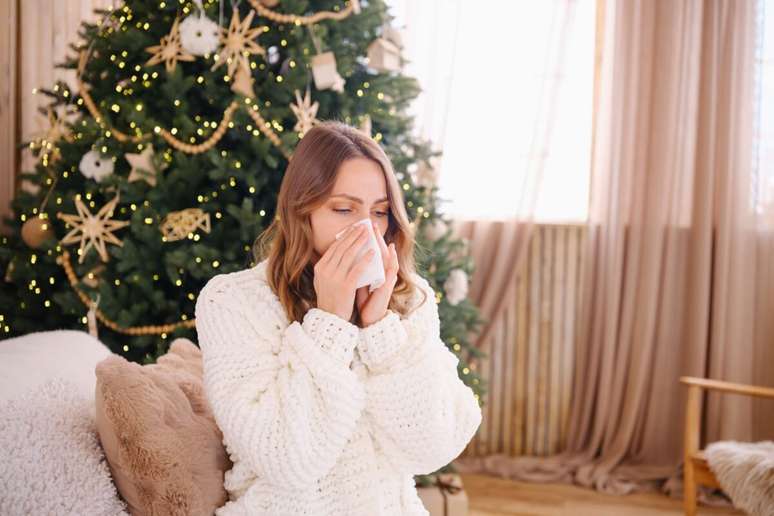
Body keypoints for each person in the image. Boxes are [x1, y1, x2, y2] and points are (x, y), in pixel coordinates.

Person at [194, 120, 482, 515]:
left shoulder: (408, 300)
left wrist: (380, 328)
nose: (365, 229)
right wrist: (330, 322)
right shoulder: (234, 302)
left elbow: (434, 447)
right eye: (344, 208)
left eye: (379, 213)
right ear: (301, 211)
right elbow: (285, 459)